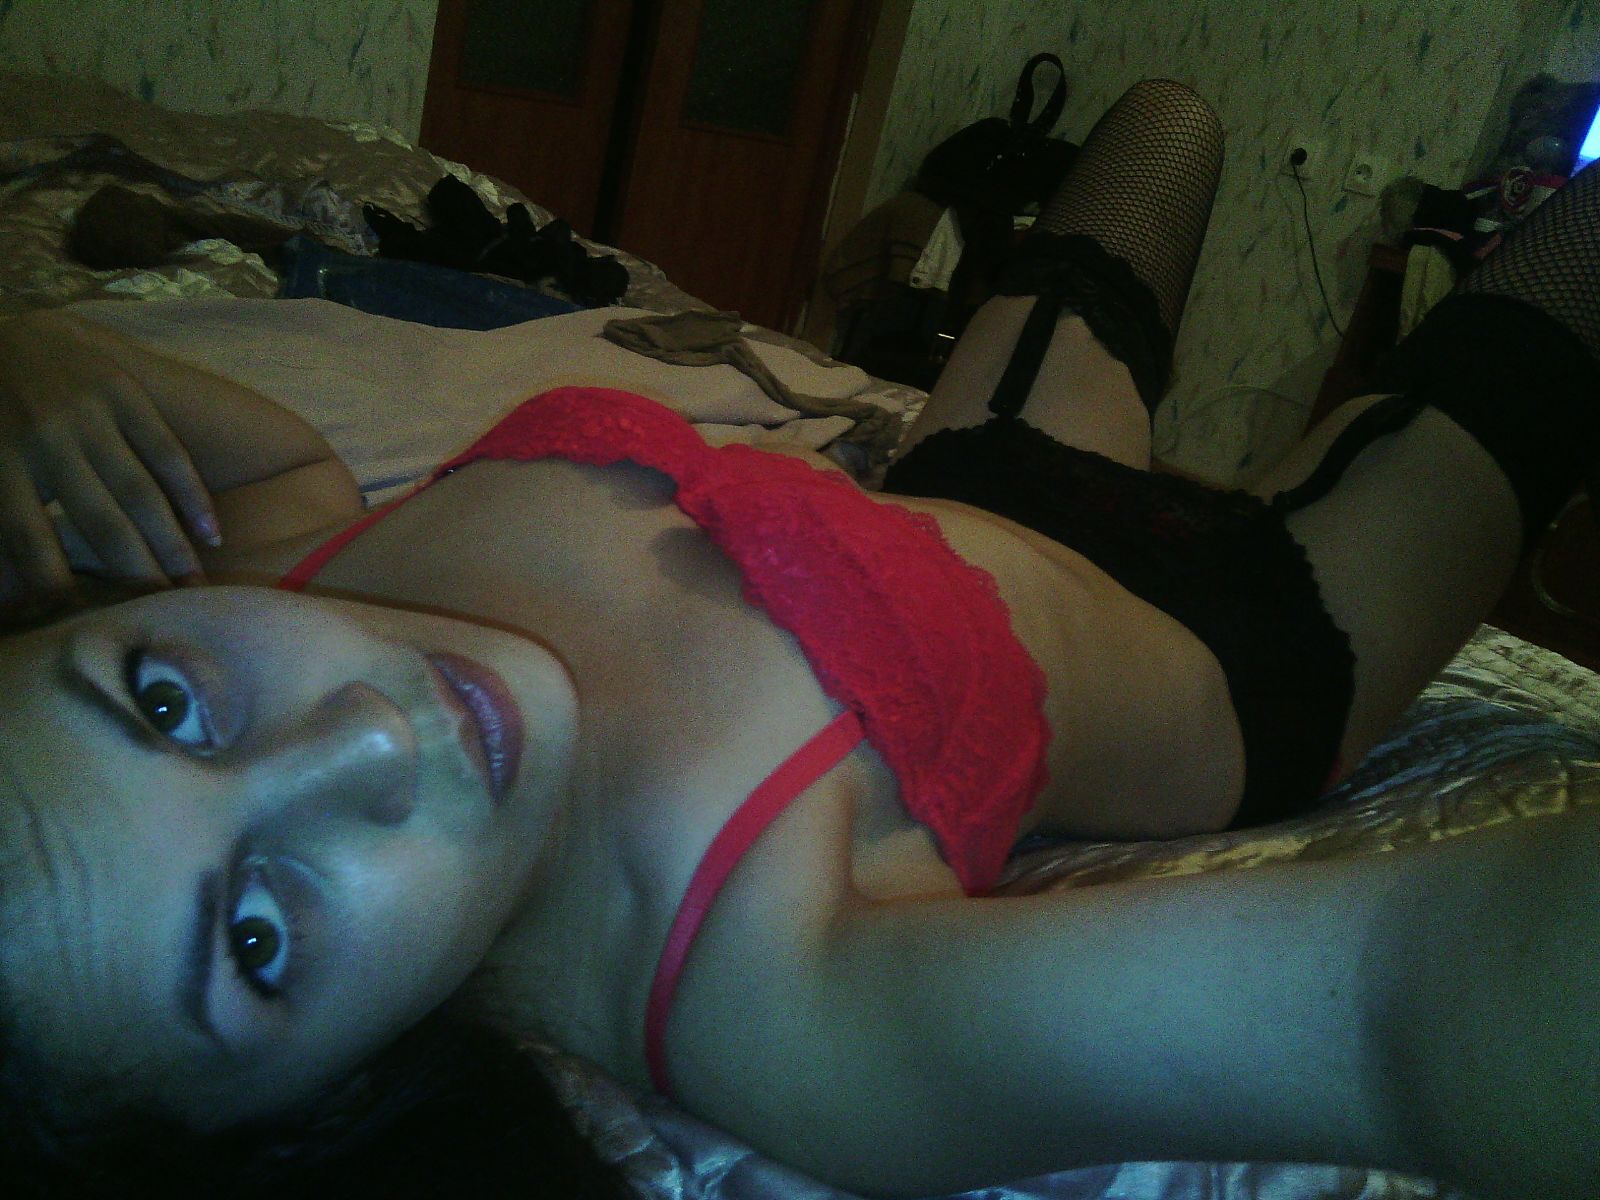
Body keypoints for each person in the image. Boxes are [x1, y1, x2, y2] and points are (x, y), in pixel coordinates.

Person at [0, 79, 1596, 1199]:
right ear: (309, 1113)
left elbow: (268, 462)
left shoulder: (290, 568)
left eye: (161, 701)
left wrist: (34, 350)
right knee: (1563, 270)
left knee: (1167, 122)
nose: (361, 735)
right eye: (257, 940)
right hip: (1258, 641)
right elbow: (1394, 1015)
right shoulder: (757, 995)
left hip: (981, 469)